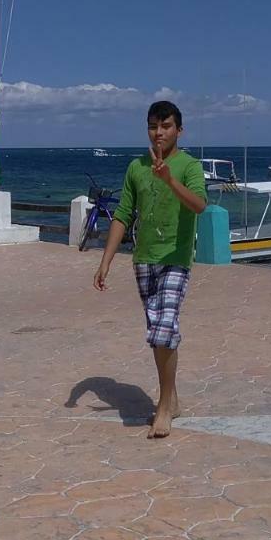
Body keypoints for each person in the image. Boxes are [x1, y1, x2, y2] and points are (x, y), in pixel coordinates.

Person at [92, 101, 206, 439]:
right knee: (159, 334)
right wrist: (106, 260)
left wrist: (170, 180)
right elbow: (124, 215)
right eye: (154, 126)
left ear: (179, 130)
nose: (159, 133)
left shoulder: (189, 166)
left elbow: (199, 205)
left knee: (164, 328)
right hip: (144, 259)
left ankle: (165, 406)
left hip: (176, 258)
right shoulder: (136, 168)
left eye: (167, 126)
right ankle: (172, 397)